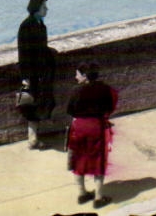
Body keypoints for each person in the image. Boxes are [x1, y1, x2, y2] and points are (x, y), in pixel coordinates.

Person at [66, 63, 119, 206]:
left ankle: (82, 194)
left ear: (84, 76)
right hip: (97, 127)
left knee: (78, 160)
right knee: (98, 161)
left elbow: (70, 110)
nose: (75, 77)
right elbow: (110, 107)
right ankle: (98, 197)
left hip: (79, 127)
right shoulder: (105, 89)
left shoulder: (75, 91)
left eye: (77, 74)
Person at [17, 0, 57, 145]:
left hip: (41, 72)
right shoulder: (26, 26)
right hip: (33, 73)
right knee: (33, 104)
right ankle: (32, 139)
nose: (46, 10)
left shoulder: (40, 25)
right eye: (44, 7)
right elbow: (23, 52)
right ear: (36, 9)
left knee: (40, 102)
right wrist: (25, 76)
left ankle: (34, 137)